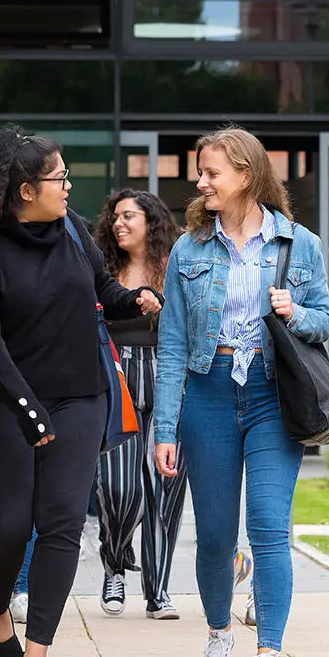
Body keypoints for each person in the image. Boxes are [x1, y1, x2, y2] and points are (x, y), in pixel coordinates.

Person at [0, 126, 162, 657]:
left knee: (62, 522)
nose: (68, 186)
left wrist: (133, 300)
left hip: (79, 395)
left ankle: (37, 652)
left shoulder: (71, 230)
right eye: (58, 177)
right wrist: (30, 414)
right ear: (22, 190)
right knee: (9, 525)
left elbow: (103, 292)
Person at [154, 126, 329, 657]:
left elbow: (325, 319)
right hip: (207, 395)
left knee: (268, 528)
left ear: (246, 175)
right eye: (201, 172)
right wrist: (165, 426)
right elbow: (174, 345)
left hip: (270, 396)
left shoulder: (298, 244)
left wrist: (294, 312)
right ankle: (217, 634)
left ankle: (269, 651)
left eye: (211, 172)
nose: (200, 182)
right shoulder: (189, 248)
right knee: (213, 535)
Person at [92, 188, 186, 620]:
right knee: (118, 489)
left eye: (129, 216)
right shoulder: (102, 268)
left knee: (163, 492)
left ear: (152, 222)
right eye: (115, 217)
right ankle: (115, 562)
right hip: (118, 380)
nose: (119, 223)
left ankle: (158, 590)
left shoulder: (176, 266)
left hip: (168, 380)